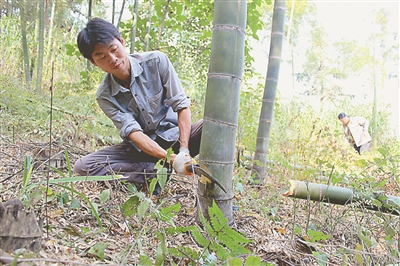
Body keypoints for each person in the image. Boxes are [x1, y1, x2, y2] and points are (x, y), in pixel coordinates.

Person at [73, 18, 203, 189]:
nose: (112, 59)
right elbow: (134, 134)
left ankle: (214, 189)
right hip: (140, 151)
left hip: (175, 138)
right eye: (102, 56)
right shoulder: (105, 96)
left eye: (114, 49)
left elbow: (182, 106)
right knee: (82, 167)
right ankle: (150, 173)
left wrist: (184, 151)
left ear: (122, 41)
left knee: (212, 126)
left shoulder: (156, 62)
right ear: (93, 62)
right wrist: (169, 159)